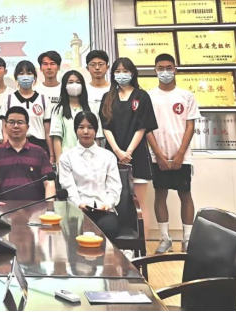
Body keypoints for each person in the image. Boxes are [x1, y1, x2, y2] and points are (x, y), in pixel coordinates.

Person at [146, 54, 201, 254]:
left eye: (169, 68)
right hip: (157, 156)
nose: (165, 72)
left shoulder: (186, 96)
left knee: (185, 194)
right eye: (161, 68)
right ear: (155, 70)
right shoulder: (149, 96)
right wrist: (158, 155)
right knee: (160, 194)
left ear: (175, 69)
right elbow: (146, 127)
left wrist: (180, 154)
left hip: (182, 157)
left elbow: (190, 126)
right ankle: (165, 239)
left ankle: (187, 239)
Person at [100, 57, 158, 239]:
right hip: (112, 155)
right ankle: (119, 246)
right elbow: (106, 127)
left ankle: (141, 247)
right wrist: (117, 151)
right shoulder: (108, 97)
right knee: (114, 202)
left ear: (133, 73)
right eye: (118, 71)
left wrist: (129, 152)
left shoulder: (142, 96)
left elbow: (143, 126)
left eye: (125, 71)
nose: (121, 75)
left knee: (138, 204)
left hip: (137, 155)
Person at [59, 111, 122, 240]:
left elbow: (114, 186)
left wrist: (107, 204)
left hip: (104, 210)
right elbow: (68, 187)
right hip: (76, 211)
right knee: (74, 230)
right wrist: (78, 204)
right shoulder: (66, 157)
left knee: (108, 228)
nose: (86, 131)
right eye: (81, 127)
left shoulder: (108, 156)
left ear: (96, 130)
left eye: (90, 127)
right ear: (75, 130)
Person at [0, 106, 56, 201]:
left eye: (20, 122)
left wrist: (49, 206)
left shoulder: (40, 152)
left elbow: (49, 183)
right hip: (3, 208)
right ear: (5, 127)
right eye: (11, 122)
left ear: (27, 127)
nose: (16, 126)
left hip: (35, 208)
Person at [5, 60, 53, 161]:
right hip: (14, 146)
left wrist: (52, 155)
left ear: (35, 77)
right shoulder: (9, 99)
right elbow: (5, 130)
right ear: (16, 77)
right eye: (21, 73)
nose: (25, 77)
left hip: (39, 146)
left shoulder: (43, 99)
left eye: (29, 73)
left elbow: (48, 131)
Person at [50, 70, 91, 166]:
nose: (74, 85)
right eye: (70, 82)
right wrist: (59, 160)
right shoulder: (58, 109)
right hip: (67, 158)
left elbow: (97, 136)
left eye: (78, 82)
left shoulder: (91, 107)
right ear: (65, 86)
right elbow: (56, 137)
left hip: (89, 158)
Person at [86, 50, 111, 148]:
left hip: (113, 138)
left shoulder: (115, 89)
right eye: (93, 64)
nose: (97, 68)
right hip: (89, 138)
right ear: (87, 68)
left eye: (101, 64)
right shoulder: (83, 90)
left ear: (107, 67)